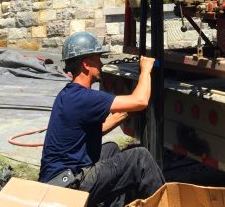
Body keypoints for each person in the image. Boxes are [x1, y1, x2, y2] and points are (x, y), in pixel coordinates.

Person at [39, 31, 165, 207]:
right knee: (140, 158)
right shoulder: (85, 97)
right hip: (68, 185)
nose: (101, 63)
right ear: (86, 64)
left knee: (111, 149)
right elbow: (141, 100)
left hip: (56, 179)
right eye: (97, 58)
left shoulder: (67, 94)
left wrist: (124, 113)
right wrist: (146, 71)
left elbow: (91, 131)